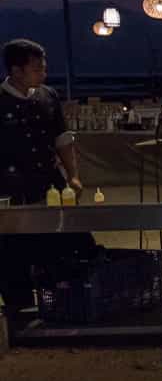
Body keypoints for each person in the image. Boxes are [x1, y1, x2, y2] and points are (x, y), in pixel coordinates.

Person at [0, 39, 94, 317]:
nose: (43, 73)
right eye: (36, 69)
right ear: (16, 71)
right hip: (10, 189)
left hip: (50, 184)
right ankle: (20, 312)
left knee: (67, 240)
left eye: (44, 68)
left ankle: (67, 302)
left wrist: (73, 176)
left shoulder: (48, 96)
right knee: (12, 252)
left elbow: (62, 139)